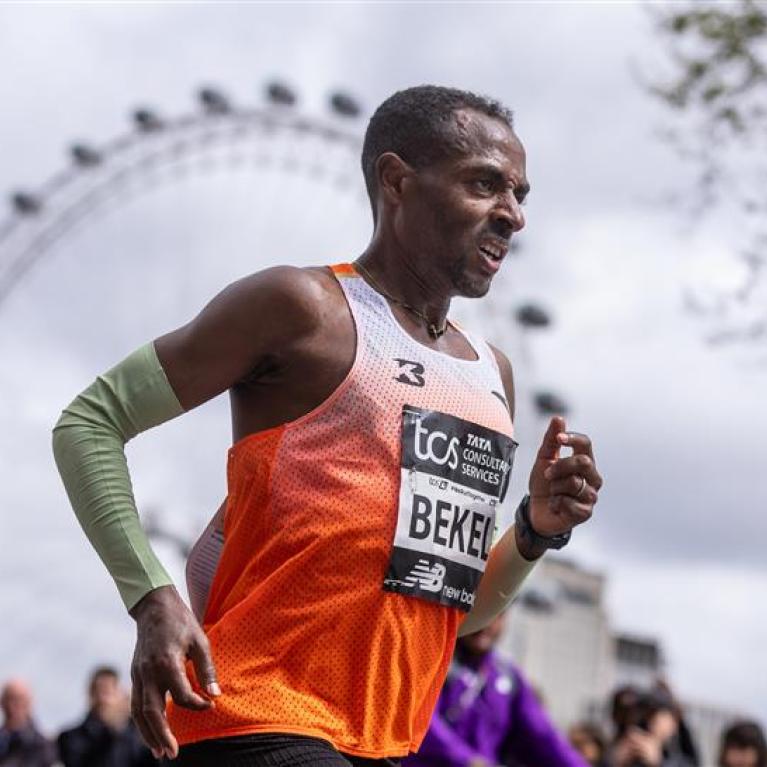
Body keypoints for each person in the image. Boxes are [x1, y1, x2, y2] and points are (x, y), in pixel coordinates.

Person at [52, 84, 603, 766]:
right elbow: (89, 422)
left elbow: (448, 608)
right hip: (259, 719)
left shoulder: (494, 376)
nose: (513, 216)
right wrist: (151, 596)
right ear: (395, 180)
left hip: (381, 742)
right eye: (484, 184)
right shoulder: (301, 307)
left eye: (520, 194)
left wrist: (533, 531)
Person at [403, 612, 589, 767]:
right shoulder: (432, 660)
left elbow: (543, 737)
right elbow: (420, 722)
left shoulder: (508, 676)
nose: (487, 622)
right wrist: (469, 761)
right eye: (482, 611)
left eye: (498, 614)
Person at [57, 666, 156, 767]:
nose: (103, 699)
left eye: (108, 692)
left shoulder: (139, 736)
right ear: (90, 696)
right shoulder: (70, 738)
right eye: (98, 692)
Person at [0, 679, 56, 767]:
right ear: (2, 702)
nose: (12, 706)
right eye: (9, 699)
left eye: (19, 700)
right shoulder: (3, 739)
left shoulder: (42, 746)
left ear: (29, 704)